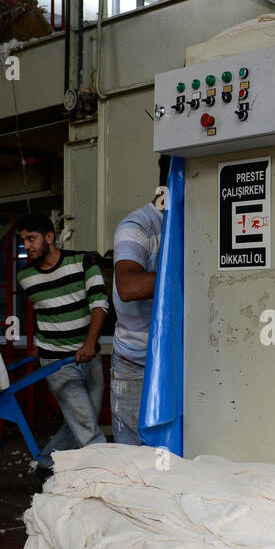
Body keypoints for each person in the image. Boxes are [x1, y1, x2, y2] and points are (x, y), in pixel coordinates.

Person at [16, 213, 110, 479]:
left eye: (31, 239)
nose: (27, 245)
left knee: (80, 421)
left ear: (49, 237)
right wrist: (37, 345)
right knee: (88, 429)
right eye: (23, 240)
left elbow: (99, 304)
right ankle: (107, 480)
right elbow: (42, 311)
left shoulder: (82, 262)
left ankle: (45, 464)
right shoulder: (26, 278)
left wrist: (90, 343)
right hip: (57, 363)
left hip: (88, 356)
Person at [109, 155, 170, 446]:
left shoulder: (185, 223)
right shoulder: (137, 226)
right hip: (136, 362)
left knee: (168, 454)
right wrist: (194, 272)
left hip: (173, 358)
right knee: (135, 455)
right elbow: (128, 286)